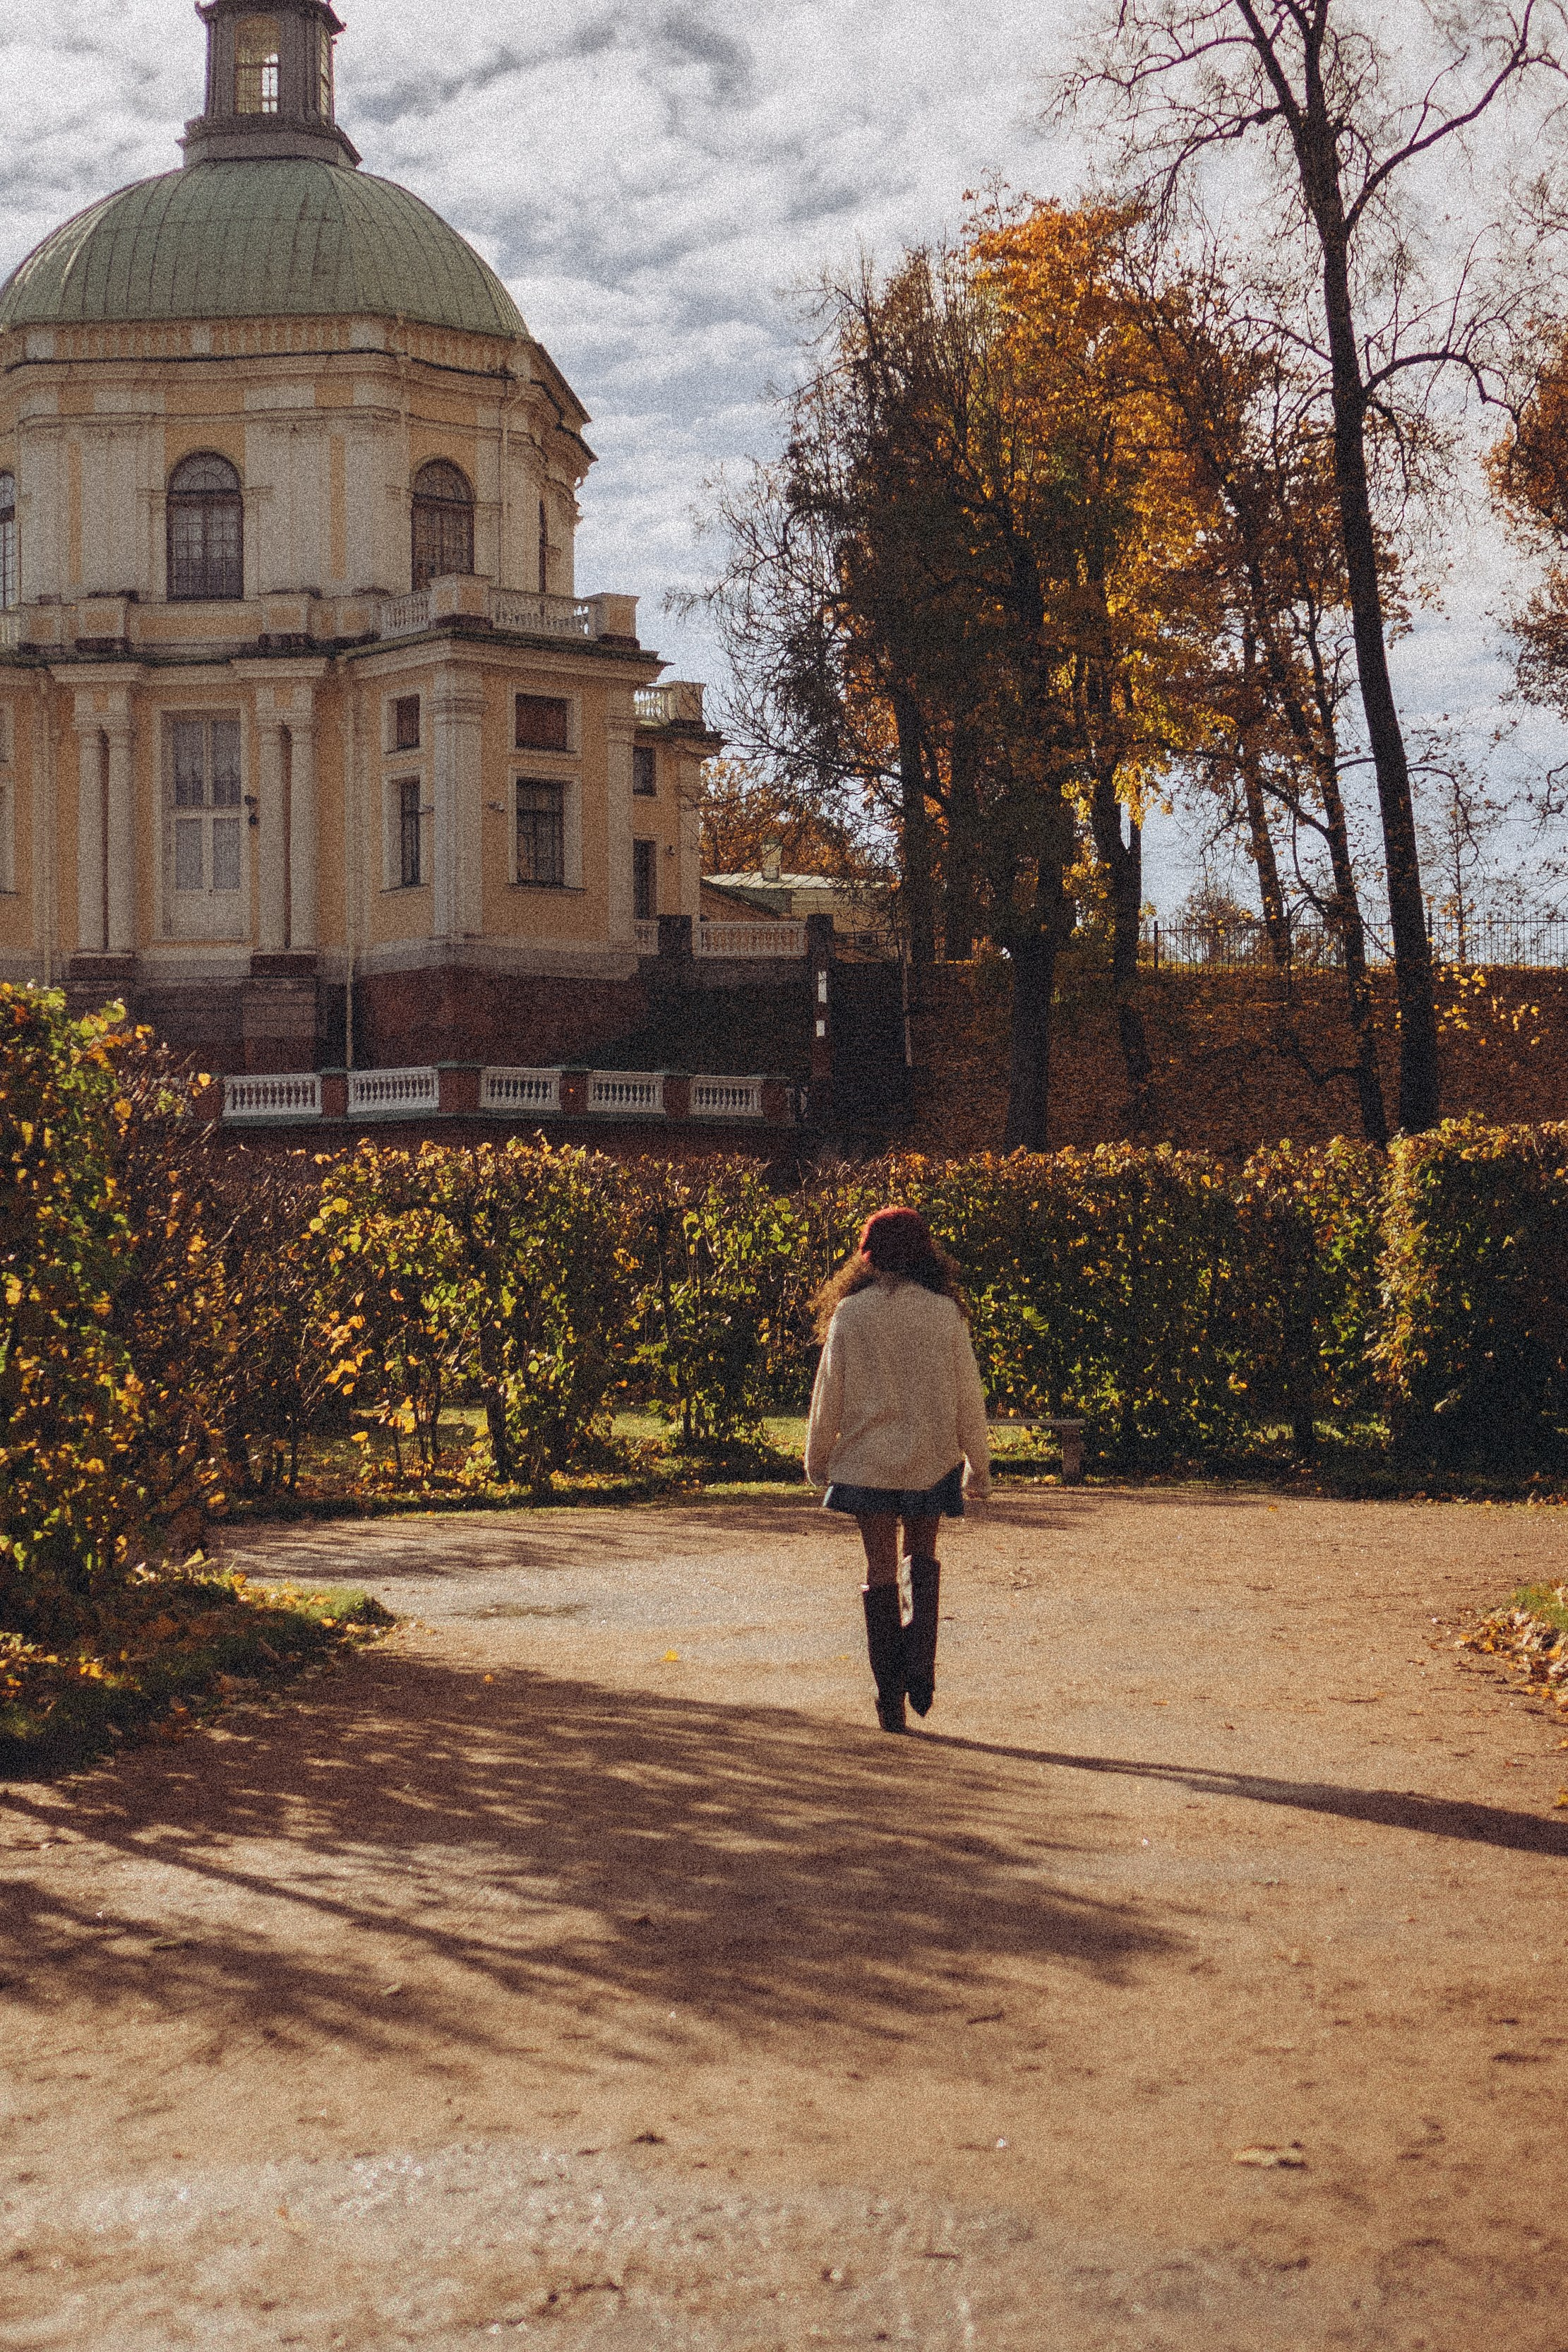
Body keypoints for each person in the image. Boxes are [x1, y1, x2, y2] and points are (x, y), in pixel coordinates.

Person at [805, 1207, 991, 1733]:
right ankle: (920, 1674)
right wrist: (978, 1463)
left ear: (866, 1256)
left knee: (879, 1569)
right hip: (930, 1459)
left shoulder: (849, 1314)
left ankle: (889, 1696)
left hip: (866, 1463)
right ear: (924, 1254)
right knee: (922, 1561)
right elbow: (966, 1393)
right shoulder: (942, 1313)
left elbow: (829, 1392)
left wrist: (816, 1458)